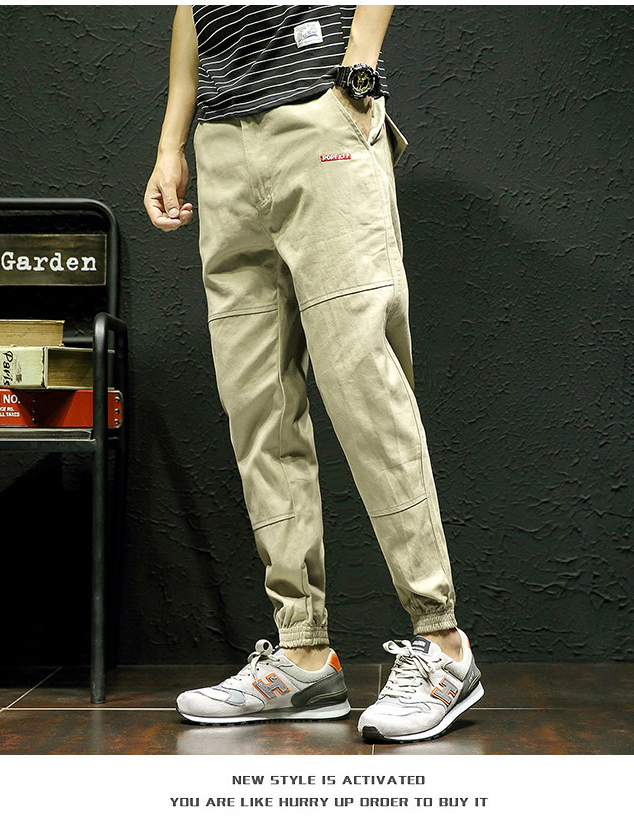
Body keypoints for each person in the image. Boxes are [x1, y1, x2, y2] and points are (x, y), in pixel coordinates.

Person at [144, 4, 483, 743]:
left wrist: (356, 72)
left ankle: (444, 642)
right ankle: (303, 656)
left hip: (317, 114)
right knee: (256, 405)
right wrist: (173, 141)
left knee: (364, 387)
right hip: (222, 140)